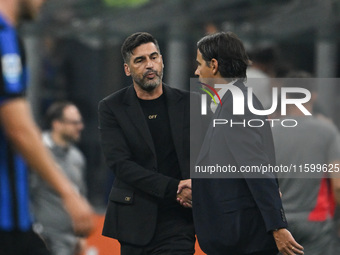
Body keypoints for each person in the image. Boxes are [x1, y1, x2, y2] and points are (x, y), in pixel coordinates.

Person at [181, 31, 304, 255]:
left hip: (242, 238)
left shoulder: (237, 106)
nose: (196, 71)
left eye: (199, 64)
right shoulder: (233, 101)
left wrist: (278, 226)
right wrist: (198, 184)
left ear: (214, 65)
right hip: (238, 235)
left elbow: (256, 168)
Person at [0, 1, 94, 255]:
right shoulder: (3, 35)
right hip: (7, 222)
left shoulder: (75, 158)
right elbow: (17, 126)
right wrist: (68, 193)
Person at [98, 32, 195, 255]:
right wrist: (175, 188)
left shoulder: (190, 103)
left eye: (153, 57)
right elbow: (120, 164)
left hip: (179, 221)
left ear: (162, 60)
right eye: (140, 60)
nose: (149, 65)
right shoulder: (112, 107)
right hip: (134, 222)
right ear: (127, 69)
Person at [272, 71, 340, 255]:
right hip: (315, 223)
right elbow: (338, 185)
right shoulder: (327, 132)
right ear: (314, 96)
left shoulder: (269, 132)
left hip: (277, 225)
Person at [30, 102, 88, 255]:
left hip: (69, 242)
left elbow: (80, 195)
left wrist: (80, 237)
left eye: (80, 122)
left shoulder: (77, 158)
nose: (80, 127)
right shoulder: (37, 153)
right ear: (57, 124)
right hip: (42, 241)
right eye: (74, 122)